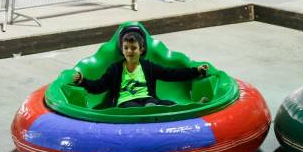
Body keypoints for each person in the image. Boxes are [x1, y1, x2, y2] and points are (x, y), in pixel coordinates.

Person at [71, 28, 208, 108]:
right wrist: (83, 81)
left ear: (141, 50)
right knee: (134, 109)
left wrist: (196, 71)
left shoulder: (148, 66)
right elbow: (99, 86)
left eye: (133, 48)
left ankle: (195, 108)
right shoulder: (115, 69)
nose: (129, 51)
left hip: (148, 100)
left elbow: (171, 74)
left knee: (167, 104)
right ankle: (149, 112)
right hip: (125, 103)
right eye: (126, 48)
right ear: (122, 50)